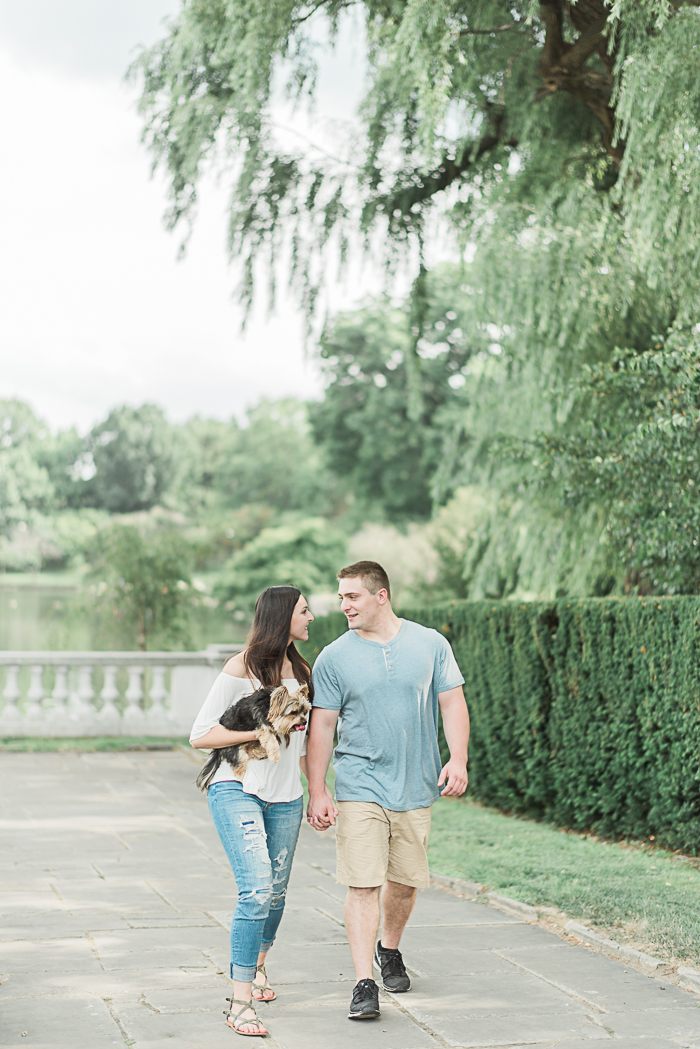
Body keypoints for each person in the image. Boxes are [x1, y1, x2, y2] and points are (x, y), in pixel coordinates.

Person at [305, 560, 469, 1021]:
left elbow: (452, 701)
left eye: (352, 596)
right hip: (359, 783)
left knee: (405, 882)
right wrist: (318, 789)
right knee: (363, 883)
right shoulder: (334, 657)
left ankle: (389, 949)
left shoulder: (430, 643)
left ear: (381, 596)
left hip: (415, 783)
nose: (343, 605)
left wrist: (458, 759)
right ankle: (363, 983)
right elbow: (322, 728)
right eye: (340, 597)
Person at [190, 586, 314, 1037]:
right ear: (282, 617)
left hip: (286, 795)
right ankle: (240, 1002)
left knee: (276, 893)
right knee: (257, 889)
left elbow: (304, 740)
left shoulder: (302, 669)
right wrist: (257, 732)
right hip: (235, 787)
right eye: (304, 610)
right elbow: (201, 735)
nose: (312, 617)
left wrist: (316, 790)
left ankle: (259, 967)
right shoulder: (240, 667)